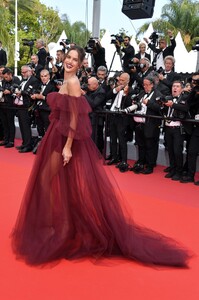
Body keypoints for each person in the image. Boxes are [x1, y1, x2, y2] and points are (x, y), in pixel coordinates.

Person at [11, 45, 191, 267]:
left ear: (79, 64)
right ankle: (61, 224)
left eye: (75, 60)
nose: (70, 61)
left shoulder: (74, 82)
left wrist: (67, 146)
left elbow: (76, 117)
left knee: (48, 180)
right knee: (60, 183)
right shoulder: (65, 80)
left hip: (63, 139)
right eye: (68, 57)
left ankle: (61, 226)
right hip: (55, 135)